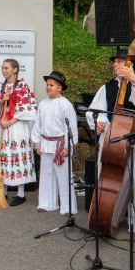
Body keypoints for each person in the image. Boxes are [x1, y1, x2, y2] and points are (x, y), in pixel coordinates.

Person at [86, 48, 135, 233]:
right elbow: (94, 110)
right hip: (113, 136)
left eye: (120, 61)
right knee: (110, 179)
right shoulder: (107, 87)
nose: (115, 64)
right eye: (114, 61)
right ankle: (109, 218)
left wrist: (133, 79)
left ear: (130, 64)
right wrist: (98, 122)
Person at [31, 71, 78, 214]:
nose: (48, 87)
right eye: (47, 85)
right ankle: (47, 203)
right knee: (46, 174)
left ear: (60, 88)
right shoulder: (43, 104)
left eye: (51, 85)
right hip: (46, 144)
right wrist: (37, 144)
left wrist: (68, 147)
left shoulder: (65, 105)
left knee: (64, 177)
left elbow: (71, 128)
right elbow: (38, 125)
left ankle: (68, 207)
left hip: (60, 146)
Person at [0, 59, 37, 206]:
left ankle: (20, 193)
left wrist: (10, 122)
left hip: (17, 126)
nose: (4, 70)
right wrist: (1, 101)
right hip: (3, 126)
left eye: (6, 68)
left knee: (18, 155)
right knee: (4, 155)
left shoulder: (23, 87)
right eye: (2, 68)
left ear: (15, 69)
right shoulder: (0, 87)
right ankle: (3, 191)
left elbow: (30, 109)